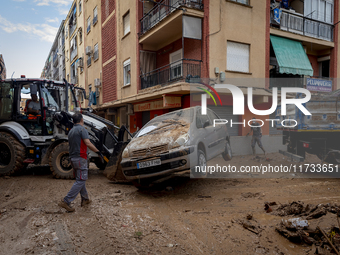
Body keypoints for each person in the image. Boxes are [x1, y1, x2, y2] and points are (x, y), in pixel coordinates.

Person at [58, 113, 104, 212]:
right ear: (82, 120)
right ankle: (66, 201)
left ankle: (85, 199)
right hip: (81, 158)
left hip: (73, 158)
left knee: (80, 178)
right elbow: (87, 143)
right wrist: (98, 152)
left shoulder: (70, 131)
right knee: (81, 180)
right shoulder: (82, 130)